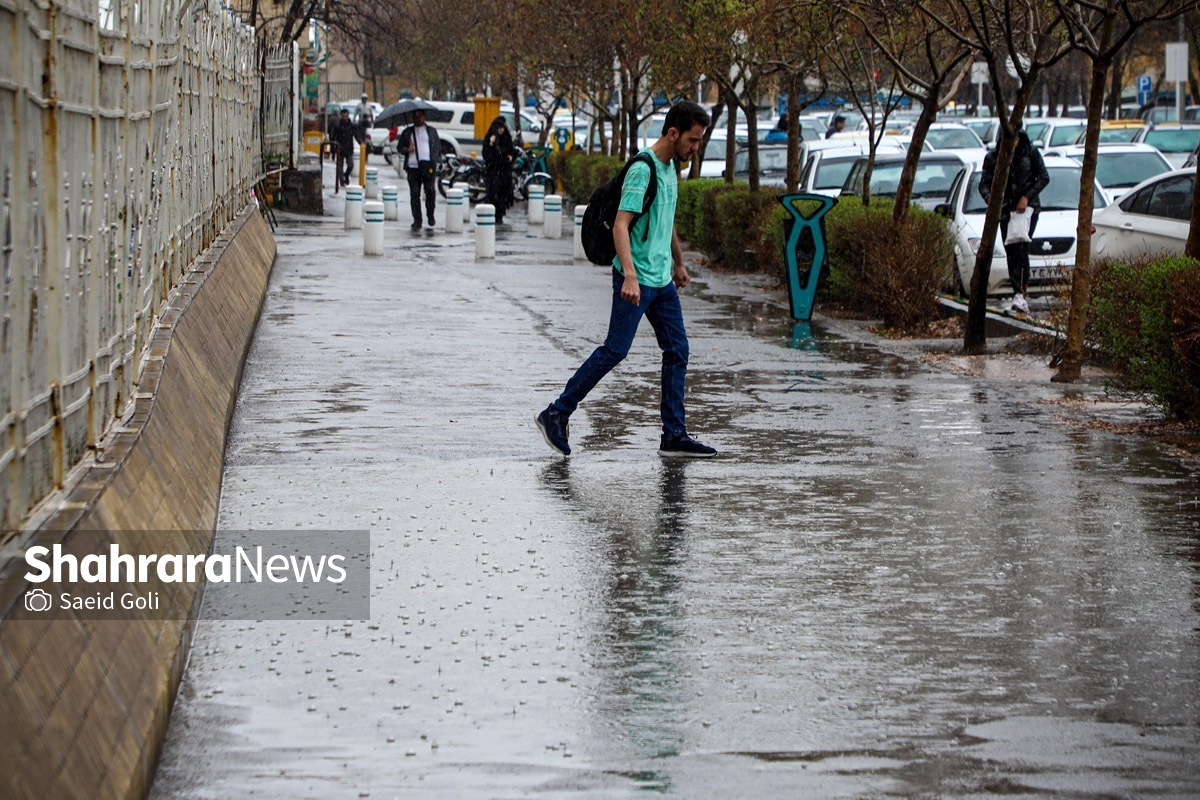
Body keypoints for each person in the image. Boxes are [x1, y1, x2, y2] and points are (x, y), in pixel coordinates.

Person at [535, 101, 717, 459]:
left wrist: (679, 263)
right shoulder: (643, 170)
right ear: (673, 133)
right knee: (616, 349)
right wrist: (629, 276)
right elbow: (621, 225)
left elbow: (667, 219)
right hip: (635, 277)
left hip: (661, 279)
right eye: (693, 141)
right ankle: (556, 412)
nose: (696, 149)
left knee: (678, 350)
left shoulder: (670, 170)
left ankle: (673, 434)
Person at [979, 128, 1049, 314]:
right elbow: (983, 183)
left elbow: (1043, 177)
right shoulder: (994, 157)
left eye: (1016, 138)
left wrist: (1026, 197)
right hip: (1005, 210)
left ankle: (1020, 293)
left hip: (1027, 210)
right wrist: (993, 202)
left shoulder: (1030, 153)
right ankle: (1017, 291)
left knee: (1021, 248)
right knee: (1011, 250)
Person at [396, 110, 442, 229]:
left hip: (428, 166)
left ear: (424, 117)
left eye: (420, 116)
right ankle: (417, 220)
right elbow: (399, 148)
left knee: (430, 191)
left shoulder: (431, 131)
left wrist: (435, 161)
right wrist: (408, 150)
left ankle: (430, 215)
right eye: (415, 116)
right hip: (413, 167)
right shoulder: (408, 132)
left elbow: (437, 146)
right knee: (415, 194)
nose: (418, 118)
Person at [482, 117, 516, 224]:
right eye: (499, 128)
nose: (501, 130)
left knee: (503, 194)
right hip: (493, 172)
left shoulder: (506, 138)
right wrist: (491, 144)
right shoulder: (490, 138)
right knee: (493, 193)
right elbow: (487, 155)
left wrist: (510, 157)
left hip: (504, 172)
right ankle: (493, 213)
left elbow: (511, 150)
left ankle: (500, 214)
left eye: (502, 128)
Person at [330, 108, 360, 188]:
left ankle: (346, 175)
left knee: (351, 165)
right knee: (340, 167)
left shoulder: (352, 125)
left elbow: (356, 135)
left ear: (348, 116)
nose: (345, 118)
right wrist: (332, 151)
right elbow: (333, 138)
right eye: (343, 116)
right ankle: (341, 181)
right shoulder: (337, 126)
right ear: (341, 116)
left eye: (346, 116)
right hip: (340, 148)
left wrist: (361, 142)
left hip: (349, 148)